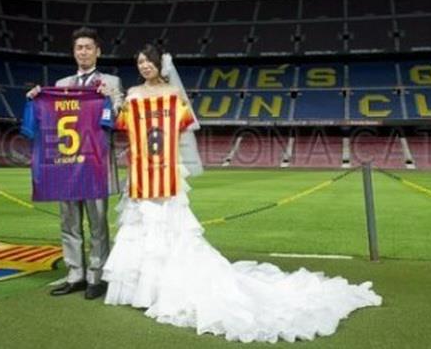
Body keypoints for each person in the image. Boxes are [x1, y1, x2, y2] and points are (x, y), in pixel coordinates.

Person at [102, 44, 382, 343]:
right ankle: (143, 288)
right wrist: (113, 99)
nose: (144, 66)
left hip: (166, 171)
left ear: (159, 64)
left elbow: (183, 125)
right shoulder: (133, 94)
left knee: (169, 228)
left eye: (149, 61)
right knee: (141, 227)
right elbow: (122, 125)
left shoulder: (173, 94)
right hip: (140, 171)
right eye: (140, 62)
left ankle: (160, 287)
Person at [27, 26, 123, 299]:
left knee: (98, 224)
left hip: (95, 165)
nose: (83, 52)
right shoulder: (60, 85)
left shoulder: (111, 82)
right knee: (68, 222)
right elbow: (49, 118)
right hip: (66, 165)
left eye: (88, 47)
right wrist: (36, 99)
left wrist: (110, 97)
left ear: (97, 51)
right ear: (74, 52)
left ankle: (97, 276)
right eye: (79, 47)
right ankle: (75, 274)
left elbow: (119, 116)